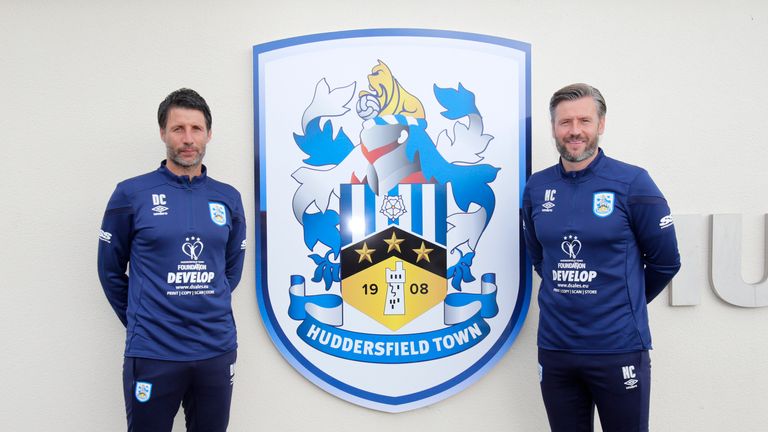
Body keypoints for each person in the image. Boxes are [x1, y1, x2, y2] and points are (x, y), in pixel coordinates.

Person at [522, 83, 680, 432]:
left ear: (601, 124)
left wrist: (623, 301)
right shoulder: (536, 187)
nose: (575, 131)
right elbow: (539, 257)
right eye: (565, 122)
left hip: (618, 350)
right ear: (553, 128)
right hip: (556, 349)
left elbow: (666, 261)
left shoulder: (632, 183)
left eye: (584, 120)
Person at [98, 88, 246, 432]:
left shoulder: (228, 198)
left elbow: (230, 269)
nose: (188, 139)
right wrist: (145, 316)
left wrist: (206, 302)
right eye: (178, 129)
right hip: (153, 353)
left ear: (209, 133)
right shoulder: (131, 194)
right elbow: (109, 270)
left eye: (196, 129)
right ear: (163, 132)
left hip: (215, 350)